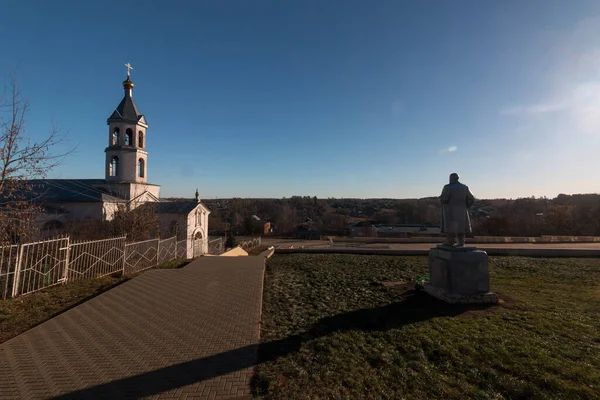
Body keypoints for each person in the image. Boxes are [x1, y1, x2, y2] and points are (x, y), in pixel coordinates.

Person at [440, 173, 475, 247]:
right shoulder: (464, 187)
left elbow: (444, 198)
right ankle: (461, 242)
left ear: (451, 178)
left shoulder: (448, 187)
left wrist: (441, 199)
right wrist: (466, 206)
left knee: (451, 226)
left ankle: (450, 241)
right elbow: (472, 198)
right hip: (462, 210)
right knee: (461, 226)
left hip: (451, 210)